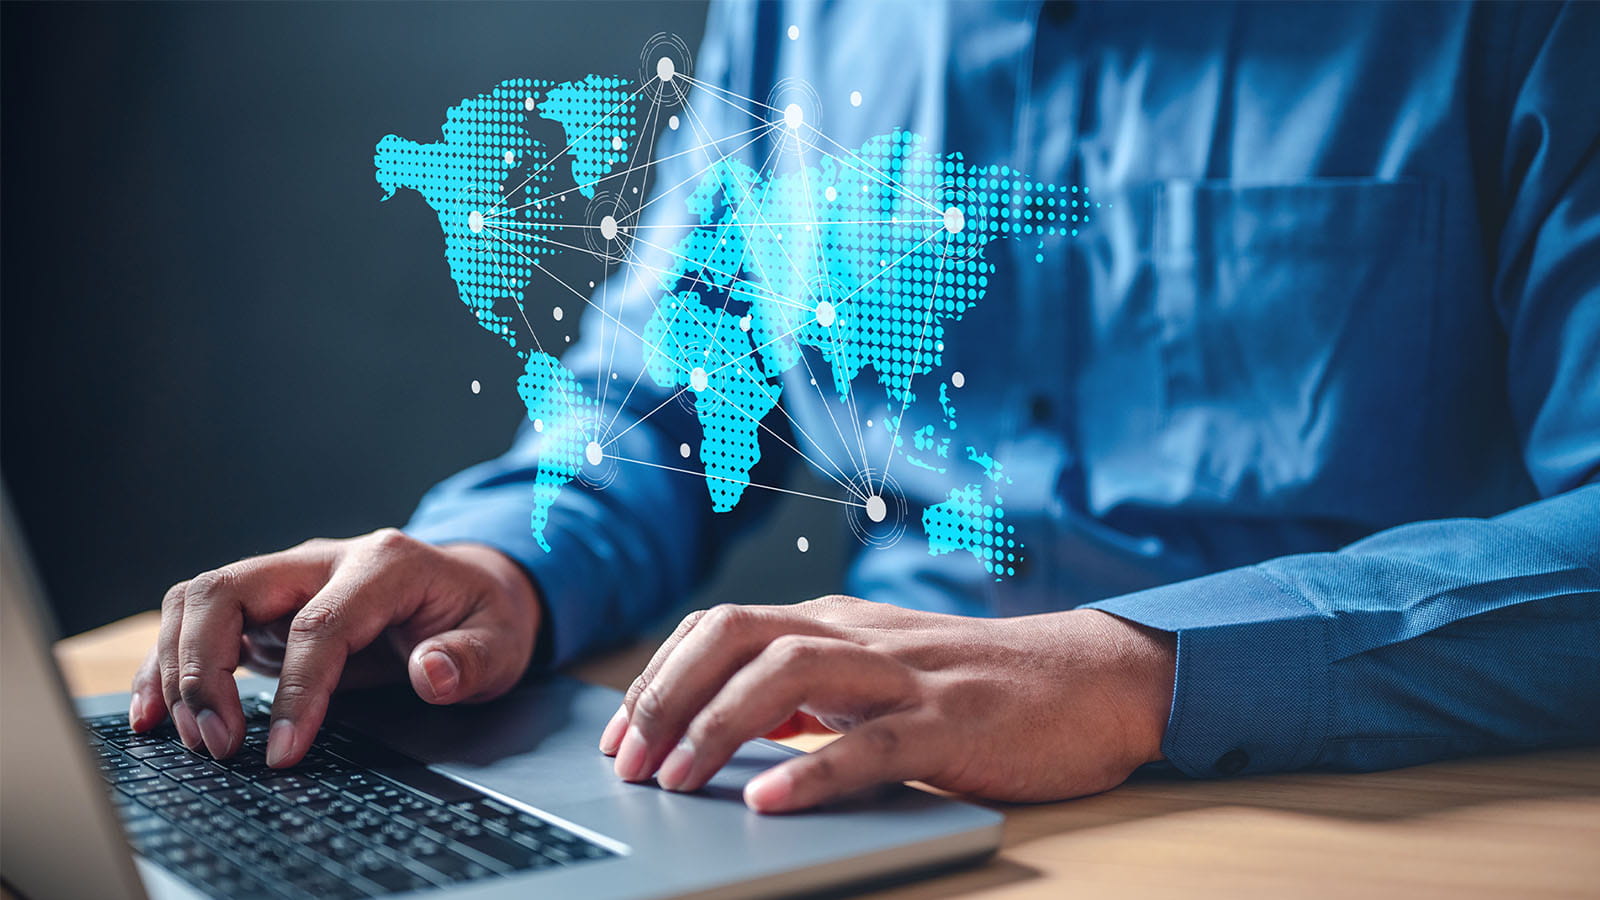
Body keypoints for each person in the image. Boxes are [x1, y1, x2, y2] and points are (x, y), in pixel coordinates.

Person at [130, 0, 1599, 814]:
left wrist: (1142, 673)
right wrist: (509, 566)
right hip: (863, 781)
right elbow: (668, 384)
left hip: (1371, 813)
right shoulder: (801, 15)